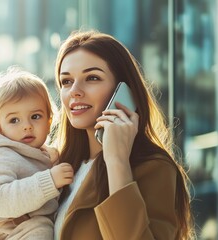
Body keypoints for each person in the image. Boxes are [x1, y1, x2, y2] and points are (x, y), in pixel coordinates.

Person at [52, 30, 194, 240]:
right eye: (66, 81)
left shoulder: (154, 168)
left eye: (92, 78)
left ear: (124, 91)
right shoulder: (58, 166)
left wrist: (117, 161)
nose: (74, 91)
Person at [0, 66, 74, 240]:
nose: (26, 126)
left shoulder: (45, 155)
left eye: (35, 116)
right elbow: (0, 200)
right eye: (14, 120)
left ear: (49, 120)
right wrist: (49, 181)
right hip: (11, 232)